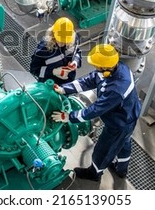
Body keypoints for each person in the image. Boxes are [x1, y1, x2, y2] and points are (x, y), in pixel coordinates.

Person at [51, 43, 141, 182]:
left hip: (120, 122)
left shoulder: (116, 88)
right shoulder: (115, 67)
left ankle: (95, 173)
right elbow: (89, 80)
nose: (94, 67)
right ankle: (122, 169)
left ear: (105, 66)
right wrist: (65, 89)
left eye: (96, 65)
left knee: (105, 148)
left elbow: (95, 110)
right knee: (123, 142)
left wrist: (69, 117)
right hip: (129, 113)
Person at [29, 17, 82, 85]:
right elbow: (34, 70)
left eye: (65, 41)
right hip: (49, 84)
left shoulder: (74, 38)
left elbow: (77, 52)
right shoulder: (43, 49)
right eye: (60, 40)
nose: (63, 44)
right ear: (53, 34)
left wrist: (75, 62)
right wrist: (54, 71)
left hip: (68, 82)